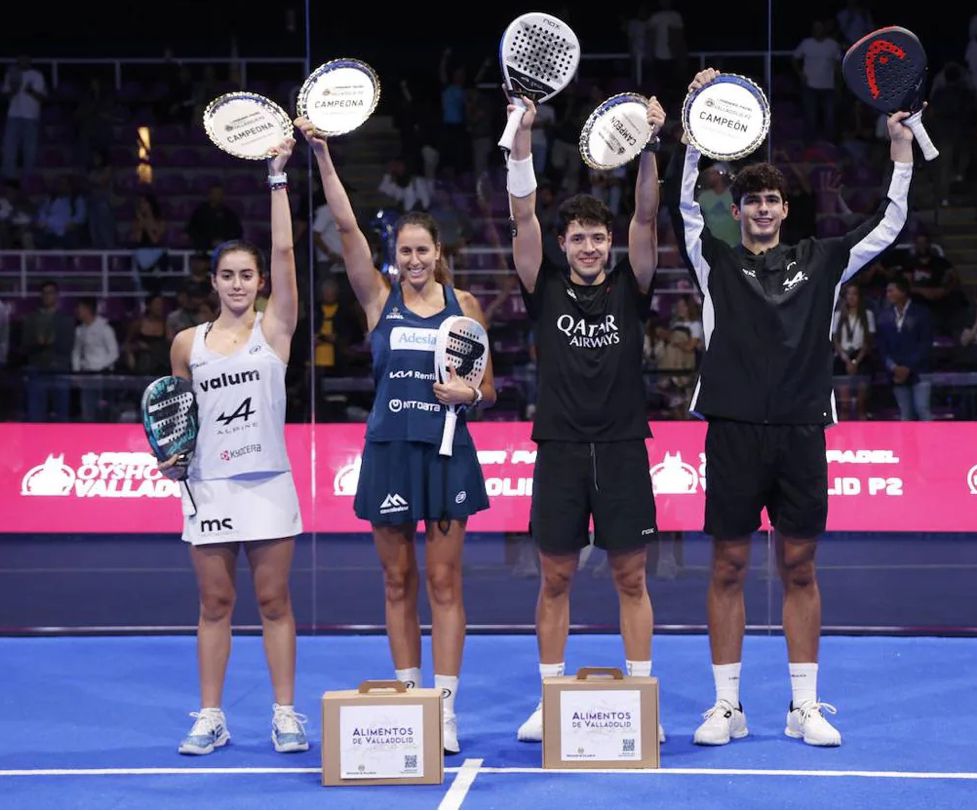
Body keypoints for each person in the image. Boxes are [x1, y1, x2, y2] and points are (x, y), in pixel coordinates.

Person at [667, 67, 915, 748]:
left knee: (800, 565)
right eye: (752, 201)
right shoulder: (712, 259)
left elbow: (889, 223)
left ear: (784, 207)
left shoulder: (826, 258)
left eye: (772, 199)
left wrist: (898, 149)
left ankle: (803, 705)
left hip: (803, 429)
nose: (763, 209)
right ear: (739, 210)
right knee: (726, 565)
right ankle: (726, 705)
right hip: (733, 430)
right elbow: (683, 205)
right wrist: (693, 124)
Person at [296, 115, 496, 756]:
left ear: (439, 253)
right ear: (396, 257)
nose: (413, 260)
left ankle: (444, 707)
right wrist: (324, 157)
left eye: (423, 250)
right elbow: (347, 227)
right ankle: (411, 696)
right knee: (396, 583)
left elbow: (488, 391)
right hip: (387, 452)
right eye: (404, 251)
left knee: (444, 585)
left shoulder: (465, 308)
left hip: (445, 455)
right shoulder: (378, 300)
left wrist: (469, 395)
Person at [506, 95, 666, 744]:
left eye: (599, 237)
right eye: (579, 237)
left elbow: (648, 215)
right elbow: (521, 213)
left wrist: (651, 144)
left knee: (631, 575)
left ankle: (639, 695)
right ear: (563, 243)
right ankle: (549, 698)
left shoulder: (633, 283)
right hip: (562, 447)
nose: (591, 246)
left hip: (624, 445)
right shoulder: (540, 284)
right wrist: (520, 136)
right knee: (554, 576)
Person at [165, 136, 308, 756]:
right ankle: (211, 716)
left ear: (260, 281)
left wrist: (277, 179)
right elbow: (174, 417)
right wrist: (169, 455)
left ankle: (284, 713)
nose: (239, 284)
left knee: (274, 600)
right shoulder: (186, 344)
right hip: (210, 484)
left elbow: (283, 248)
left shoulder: (275, 330)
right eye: (228, 275)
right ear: (214, 280)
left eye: (247, 275)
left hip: (268, 481)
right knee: (215, 601)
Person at [876, 275, 933, 421]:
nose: (888, 294)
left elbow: (925, 344)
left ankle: (931, 444)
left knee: (922, 409)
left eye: (891, 291)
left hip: (920, 371)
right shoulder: (884, 316)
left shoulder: (921, 313)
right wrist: (894, 367)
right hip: (896, 374)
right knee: (905, 414)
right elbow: (882, 346)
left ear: (903, 292)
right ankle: (907, 445)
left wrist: (908, 367)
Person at [831, 283, 875, 420]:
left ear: (859, 297)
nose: (851, 297)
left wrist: (856, 361)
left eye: (854, 293)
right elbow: (835, 340)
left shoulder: (867, 315)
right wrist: (846, 359)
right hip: (842, 358)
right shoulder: (837, 315)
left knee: (861, 404)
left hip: (861, 359)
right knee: (844, 405)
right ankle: (844, 438)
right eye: (848, 294)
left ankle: (864, 438)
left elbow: (868, 341)